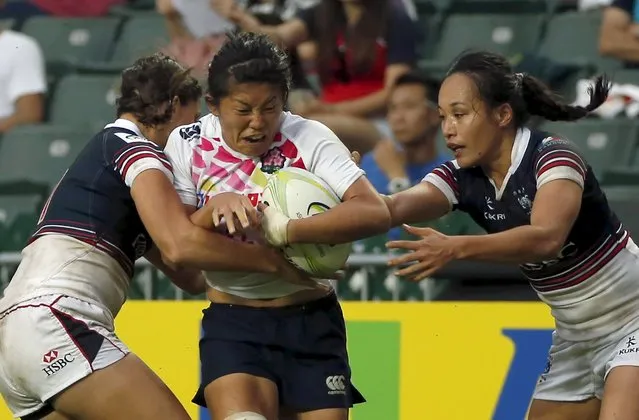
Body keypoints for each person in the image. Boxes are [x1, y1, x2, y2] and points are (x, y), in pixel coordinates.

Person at [0, 53, 308, 420]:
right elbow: (180, 247)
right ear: (172, 104)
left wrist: (230, 218)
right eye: (191, 121)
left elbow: (191, 276)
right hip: (57, 319)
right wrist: (275, 264)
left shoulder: (109, 160)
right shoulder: (136, 149)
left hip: (15, 339)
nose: (190, 136)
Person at [381, 49, 639, 420]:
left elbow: (547, 237)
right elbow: (390, 208)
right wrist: (345, 189)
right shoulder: (459, 177)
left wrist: (457, 247)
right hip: (576, 340)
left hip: (633, 318)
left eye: (459, 114)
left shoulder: (553, 157)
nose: (448, 129)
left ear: (502, 115)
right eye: (442, 118)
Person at [164, 32, 391, 420]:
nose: (258, 122)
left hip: (313, 322)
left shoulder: (311, 137)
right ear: (213, 105)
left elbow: (374, 211)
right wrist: (212, 208)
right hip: (235, 324)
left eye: (270, 107)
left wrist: (285, 231)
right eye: (243, 109)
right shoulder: (187, 144)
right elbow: (176, 244)